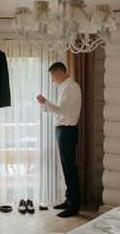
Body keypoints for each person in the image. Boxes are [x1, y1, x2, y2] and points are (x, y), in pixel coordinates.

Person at [37, 62, 82, 218]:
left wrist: (46, 103)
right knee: (66, 167)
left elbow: (63, 111)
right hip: (63, 130)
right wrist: (47, 104)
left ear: (59, 73)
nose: (52, 80)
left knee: (69, 168)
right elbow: (63, 110)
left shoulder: (71, 88)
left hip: (67, 131)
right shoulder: (67, 88)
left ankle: (74, 206)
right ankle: (69, 200)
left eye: (52, 76)